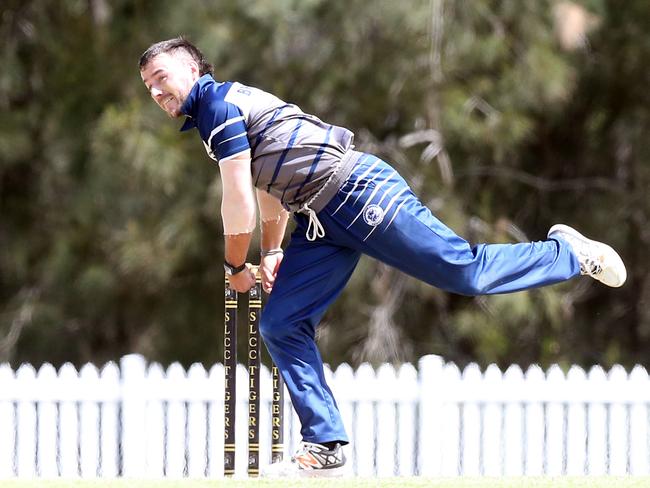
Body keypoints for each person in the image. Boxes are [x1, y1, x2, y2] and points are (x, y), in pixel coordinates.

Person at [139, 37, 626, 477]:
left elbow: (238, 199)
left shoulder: (220, 107)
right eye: (149, 88)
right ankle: (324, 443)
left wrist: (234, 265)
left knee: (465, 273)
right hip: (319, 219)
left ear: (193, 69)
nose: (158, 94)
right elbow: (267, 185)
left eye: (162, 79)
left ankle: (566, 253)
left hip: (356, 190)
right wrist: (270, 252)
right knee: (281, 323)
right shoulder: (216, 116)